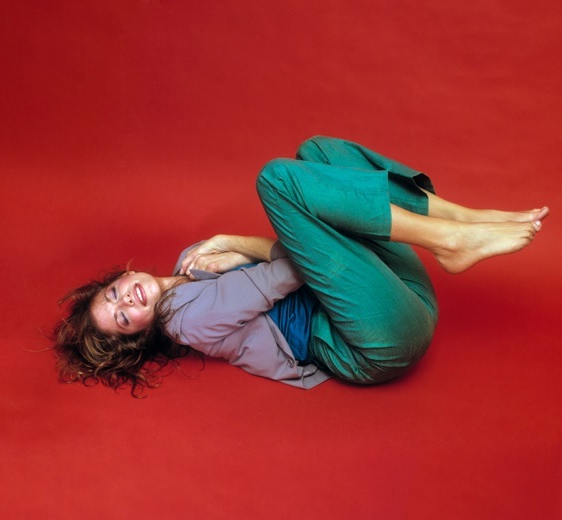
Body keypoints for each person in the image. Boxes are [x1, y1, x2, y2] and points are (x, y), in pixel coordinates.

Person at [52, 136, 548, 397]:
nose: (127, 300)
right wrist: (235, 241)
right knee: (278, 181)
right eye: (123, 318)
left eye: (113, 294)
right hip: (377, 340)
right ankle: (449, 241)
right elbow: (296, 266)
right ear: (140, 334)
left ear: (121, 276)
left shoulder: (190, 258)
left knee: (319, 152)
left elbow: (305, 245)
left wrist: (236, 246)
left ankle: (459, 219)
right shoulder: (187, 320)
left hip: (392, 291)